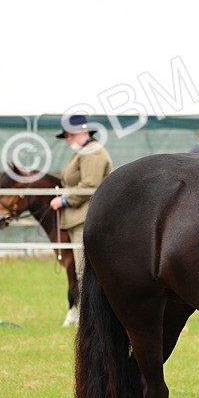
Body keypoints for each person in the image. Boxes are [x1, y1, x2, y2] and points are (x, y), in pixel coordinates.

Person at [50, 114, 113, 325]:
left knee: (85, 272)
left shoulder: (92, 153)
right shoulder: (83, 153)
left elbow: (89, 186)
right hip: (79, 219)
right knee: (81, 271)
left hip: (86, 218)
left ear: (83, 132)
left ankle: (92, 319)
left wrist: (64, 200)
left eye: (69, 135)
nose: (67, 140)